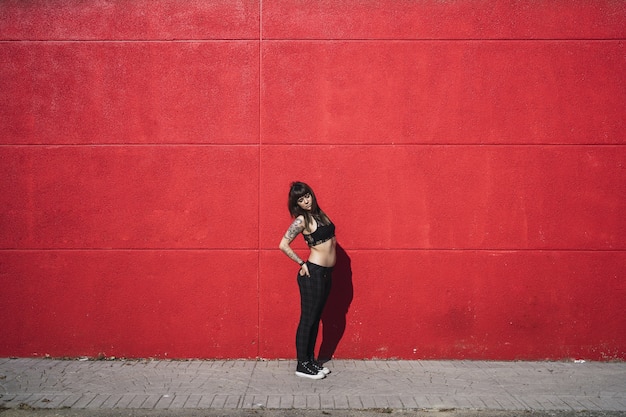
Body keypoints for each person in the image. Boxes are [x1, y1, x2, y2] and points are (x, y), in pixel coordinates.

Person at [279, 181, 336, 380]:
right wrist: (301, 263)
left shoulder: (320, 214)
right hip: (313, 273)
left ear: (312, 194)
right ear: (297, 204)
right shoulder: (302, 220)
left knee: (315, 318)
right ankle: (302, 364)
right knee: (308, 320)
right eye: (301, 200)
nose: (306, 201)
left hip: (326, 273)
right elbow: (283, 244)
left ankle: (310, 360)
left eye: (307, 196)